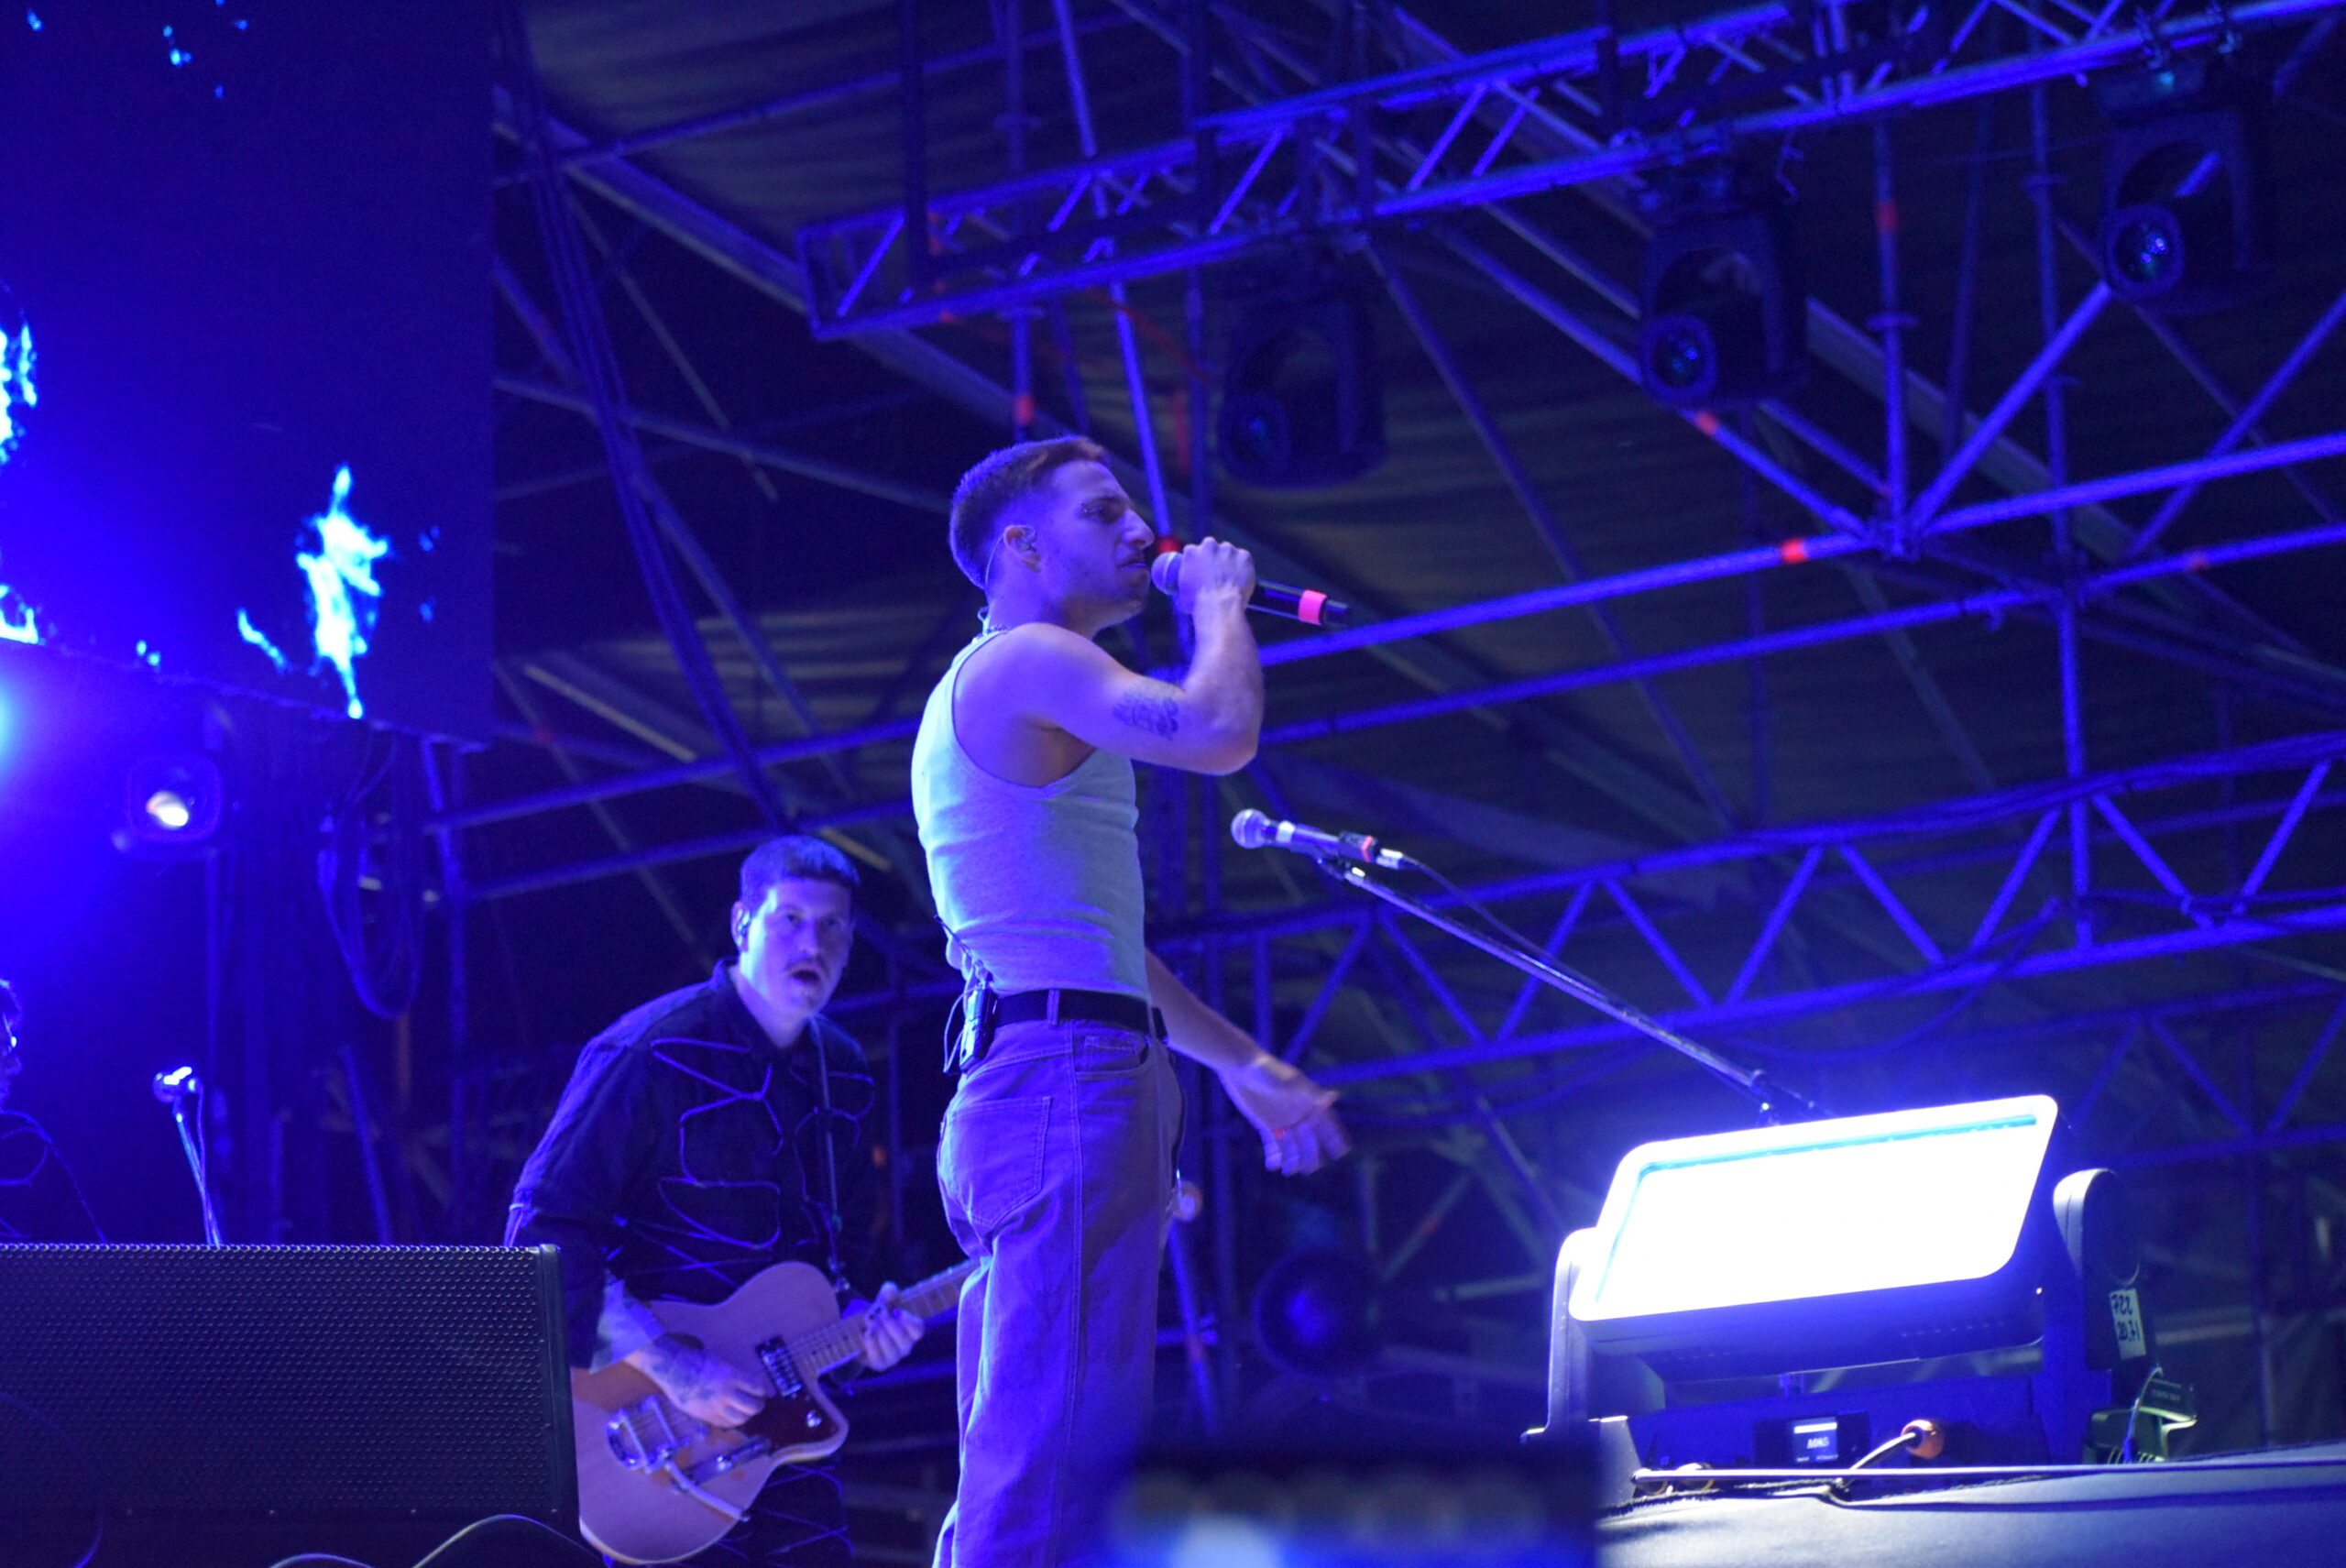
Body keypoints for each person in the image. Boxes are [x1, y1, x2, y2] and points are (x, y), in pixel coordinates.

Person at [911, 436, 1352, 1567]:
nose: (1139, 531)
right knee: (1050, 1465)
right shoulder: (1026, 660)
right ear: (1021, 546)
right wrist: (1218, 606)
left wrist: (1239, 1061)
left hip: (1058, 1065)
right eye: (1103, 511)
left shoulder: (1016, 681)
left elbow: (1107, 950)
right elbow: (1218, 731)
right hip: (1062, 1080)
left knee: (1050, 1445)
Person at [506, 838, 924, 1566]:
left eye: (832, 925)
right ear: (741, 923)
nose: (812, 944)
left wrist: (867, 1331)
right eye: (790, 918)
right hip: (657, 1430)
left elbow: (843, 1268)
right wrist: (672, 1365)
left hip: (789, 1433)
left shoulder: (847, 1072)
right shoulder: (651, 1051)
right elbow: (541, 1230)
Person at [0, 979, 104, 1243]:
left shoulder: (20, 1143)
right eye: (2, 1048)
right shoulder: (19, 1141)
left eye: (10, 1046)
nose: (15, 1065)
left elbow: (89, 1261)